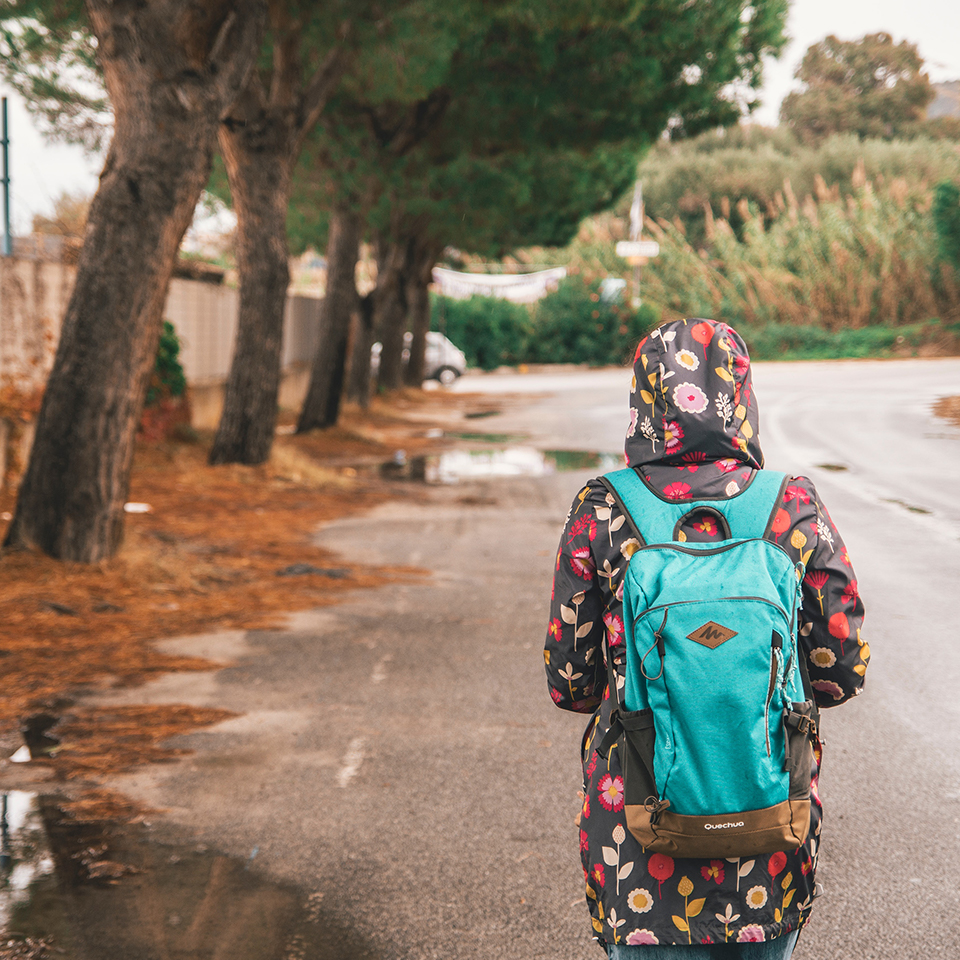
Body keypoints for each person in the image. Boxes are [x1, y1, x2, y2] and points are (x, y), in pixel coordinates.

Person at [544, 319, 867, 958]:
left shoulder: (603, 510)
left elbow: (572, 684)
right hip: (769, 832)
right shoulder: (792, 505)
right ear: (740, 393)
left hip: (639, 836)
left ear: (645, 394)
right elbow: (841, 672)